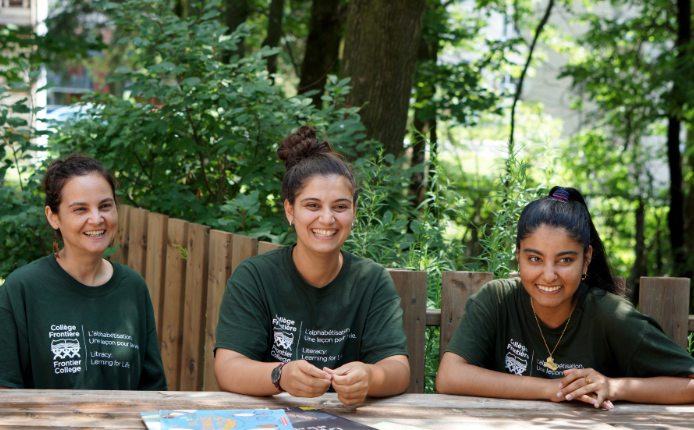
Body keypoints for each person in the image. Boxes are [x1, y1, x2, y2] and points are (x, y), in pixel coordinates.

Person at [436, 186, 694, 408]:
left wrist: (614, 387)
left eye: (565, 260)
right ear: (518, 255)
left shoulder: (611, 316)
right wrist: (554, 389)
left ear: (586, 260)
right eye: (535, 258)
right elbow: (449, 376)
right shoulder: (496, 300)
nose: (548, 275)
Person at [214, 126, 410, 406]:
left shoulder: (372, 280)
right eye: (313, 205)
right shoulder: (255, 276)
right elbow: (227, 367)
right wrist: (279, 375)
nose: (327, 219)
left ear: (354, 211)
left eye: (340, 207)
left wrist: (370, 375)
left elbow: (398, 370)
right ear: (290, 210)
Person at [0, 154, 167, 390]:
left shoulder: (133, 287)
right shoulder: (22, 289)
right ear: (53, 217)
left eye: (105, 206)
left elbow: (153, 391)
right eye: (80, 209)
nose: (96, 219)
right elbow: (4, 395)